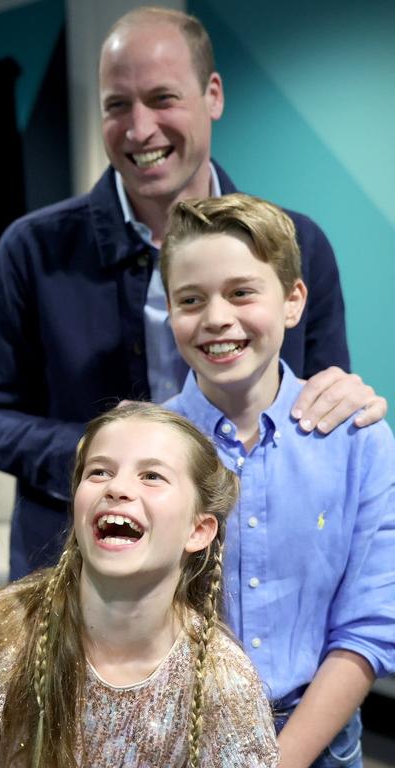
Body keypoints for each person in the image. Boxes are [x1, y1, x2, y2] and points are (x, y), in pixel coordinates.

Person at [0, 5, 388, 580]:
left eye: (162, 99)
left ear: (212, 95)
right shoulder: (31, 249)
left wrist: (348, 399)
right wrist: (100, 454)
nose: (140, 129)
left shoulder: (301, 244)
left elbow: (320, 400)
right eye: (117, 105)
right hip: (75, 573)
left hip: (258, 573)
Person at [160, 194, 395, 768]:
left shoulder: (359, 441)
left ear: (293, 302)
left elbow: (370, 624)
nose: (216, 317)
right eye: (190, 299)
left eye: (242, 292)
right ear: (169, 311)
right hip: (177, 742)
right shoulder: (145, 445)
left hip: (321, 744)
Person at [0, 403, 279, 768]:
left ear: (198, 530)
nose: (117, 487)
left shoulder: (224, 683)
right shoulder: (11, 630)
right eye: (99, 471)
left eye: (152, 476)